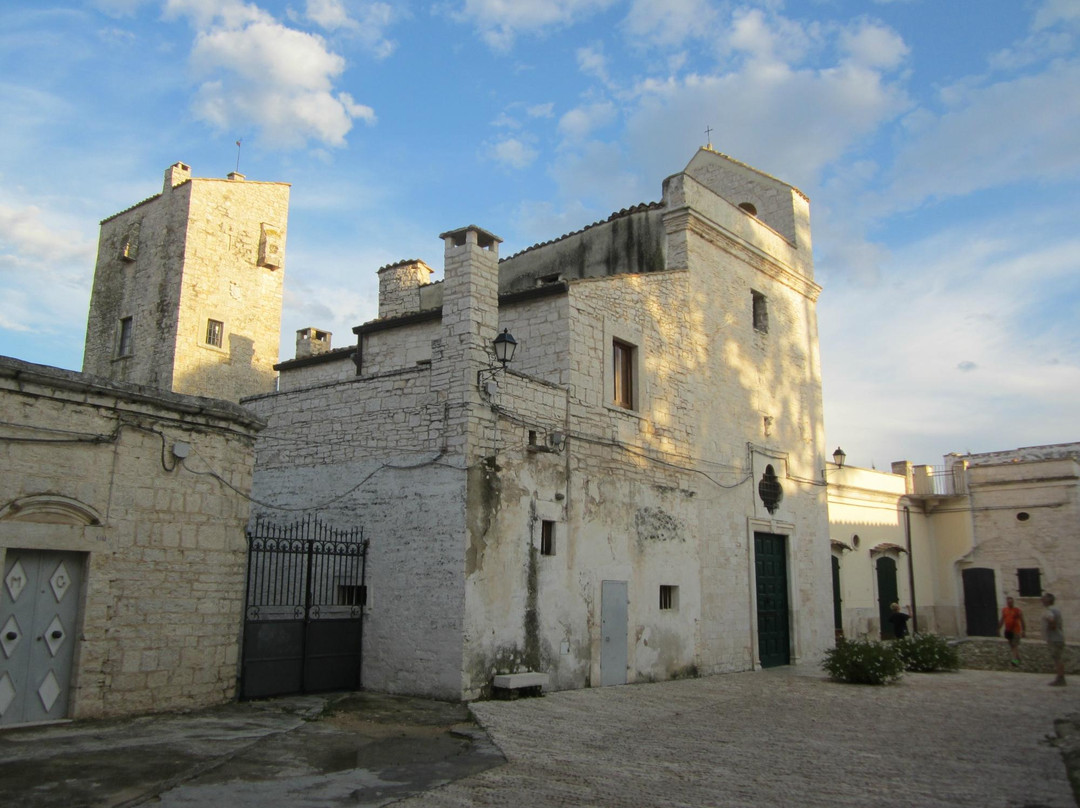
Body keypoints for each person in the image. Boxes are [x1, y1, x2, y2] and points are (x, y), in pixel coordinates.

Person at [1042, 593, 1066, 686]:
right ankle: (1060, 677)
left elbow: (1051, 620)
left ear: (1048, 601)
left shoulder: (1049, 610)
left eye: (1044, 599)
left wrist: (1051, 627)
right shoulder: (1057, 610)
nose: (1042, 601)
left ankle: (1060, 678)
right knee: (1058, 658)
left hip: (1054, 638)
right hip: (1059, 637)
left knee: (1057, 659)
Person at [998, 596, 1025, 666]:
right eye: (1008, 602)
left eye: (1011, 602)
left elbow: (1022, 621)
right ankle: (1018, 658)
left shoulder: (1017, 611)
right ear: (1007, 603)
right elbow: (1002, 620)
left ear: (1013, 602)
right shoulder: (1004, 610)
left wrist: (1024, 630)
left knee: (1014, 645)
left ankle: (1015, 661)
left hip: (1016, 630)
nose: (1010, 603)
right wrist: (999, 628)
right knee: (1012, 646)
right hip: (1008, 630)